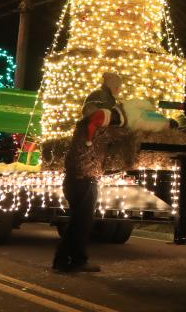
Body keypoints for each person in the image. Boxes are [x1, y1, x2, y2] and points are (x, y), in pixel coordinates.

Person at [53, 72, 127, 273]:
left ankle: (65, 260)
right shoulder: (90, 128)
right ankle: (74, 260)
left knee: (78, 221)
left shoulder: (89, 129)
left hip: (80, 178)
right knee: (81, 222)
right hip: (83, 179)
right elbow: (101, 131)